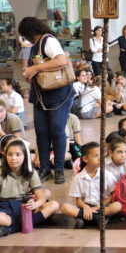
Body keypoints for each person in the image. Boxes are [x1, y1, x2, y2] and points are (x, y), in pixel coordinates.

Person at [19, 17, 74, 184]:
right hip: (41, 95)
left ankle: (58, 169)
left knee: (57, 131)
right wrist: (30, 74)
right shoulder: (35, 45)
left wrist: (35, 68)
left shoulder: (48, 40)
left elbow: (61, 60)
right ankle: (44, 168)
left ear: (29, 31)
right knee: (41, 133)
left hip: (58, 94)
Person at [0, 139, 59, 236]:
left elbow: (42, 197)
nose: (13, 158)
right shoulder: (1, 172)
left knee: (54, 205)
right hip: (4, 206)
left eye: (18, 154)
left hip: (23, 205)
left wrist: (36, 204)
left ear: (25, 156)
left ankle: (11, 229)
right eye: (10, 154)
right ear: (5, 156)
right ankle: (27, 222)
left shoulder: (31, 172)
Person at [61, 142, 122, 228]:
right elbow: (78, 200)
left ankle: (84, 219)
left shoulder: (107, 175)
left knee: (117, 206)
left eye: (101, 155)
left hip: (102, 207)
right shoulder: (78, 178)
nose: (100, 158)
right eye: (95, 156)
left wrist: (100, 206)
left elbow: (112, 195)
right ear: (85, 159)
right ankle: (99, 219)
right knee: (64, 207)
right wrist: (86, 207)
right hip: (86, 208)